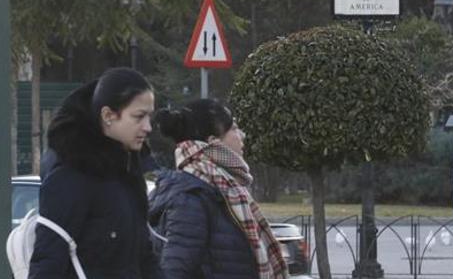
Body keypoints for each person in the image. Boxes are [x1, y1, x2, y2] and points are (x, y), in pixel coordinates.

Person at [29, 67, 161, 279]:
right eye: (139, 116)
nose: (148, 127)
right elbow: (48, 260)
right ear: (108, 115)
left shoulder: (129, 175)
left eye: (149, 116)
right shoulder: (70, 177)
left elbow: (144, 257)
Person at [149, 99, 289, 279]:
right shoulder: (190, 197)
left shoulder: (225, 188)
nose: (242, 135)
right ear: (214, 143)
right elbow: (175, 269)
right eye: (234, 128)